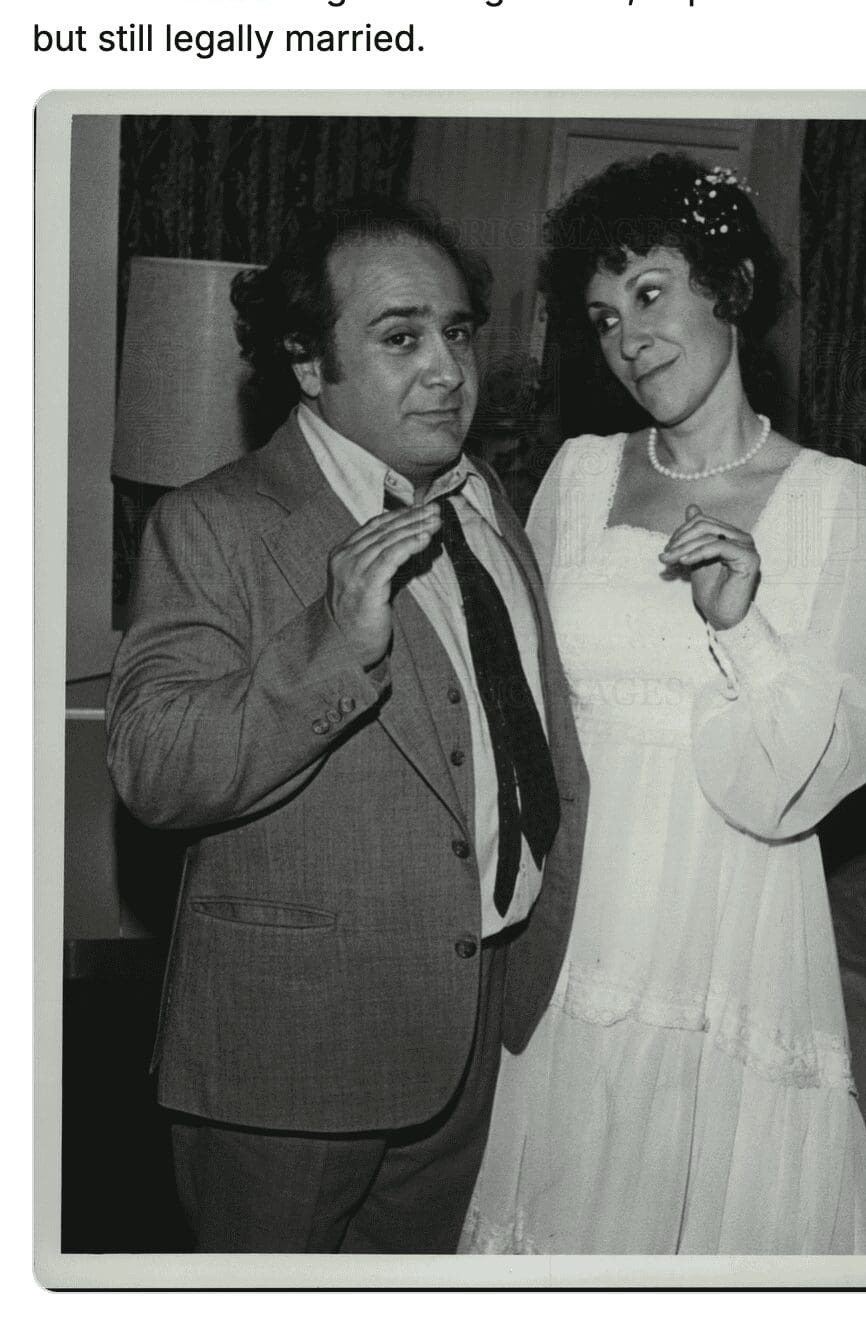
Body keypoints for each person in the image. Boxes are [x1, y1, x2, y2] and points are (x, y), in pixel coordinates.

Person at [105, 201, 588, 1254]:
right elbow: (152, 765)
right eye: (400, 337)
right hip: (290, 1055)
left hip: (468, 1026)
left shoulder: (485, 501)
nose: (448, 370)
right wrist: (332, 640)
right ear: (308, 362)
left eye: (457, 331)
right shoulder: (216, 522)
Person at [461, 153, 866, 1256]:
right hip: (579, 910)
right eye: (604, 318)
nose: (629, 338)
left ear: (731, 289)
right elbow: (521, 711)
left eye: (652, 293)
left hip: (729, 915)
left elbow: (800, 777)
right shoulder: (577, 473)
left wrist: (742, 625)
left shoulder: (838, 500)